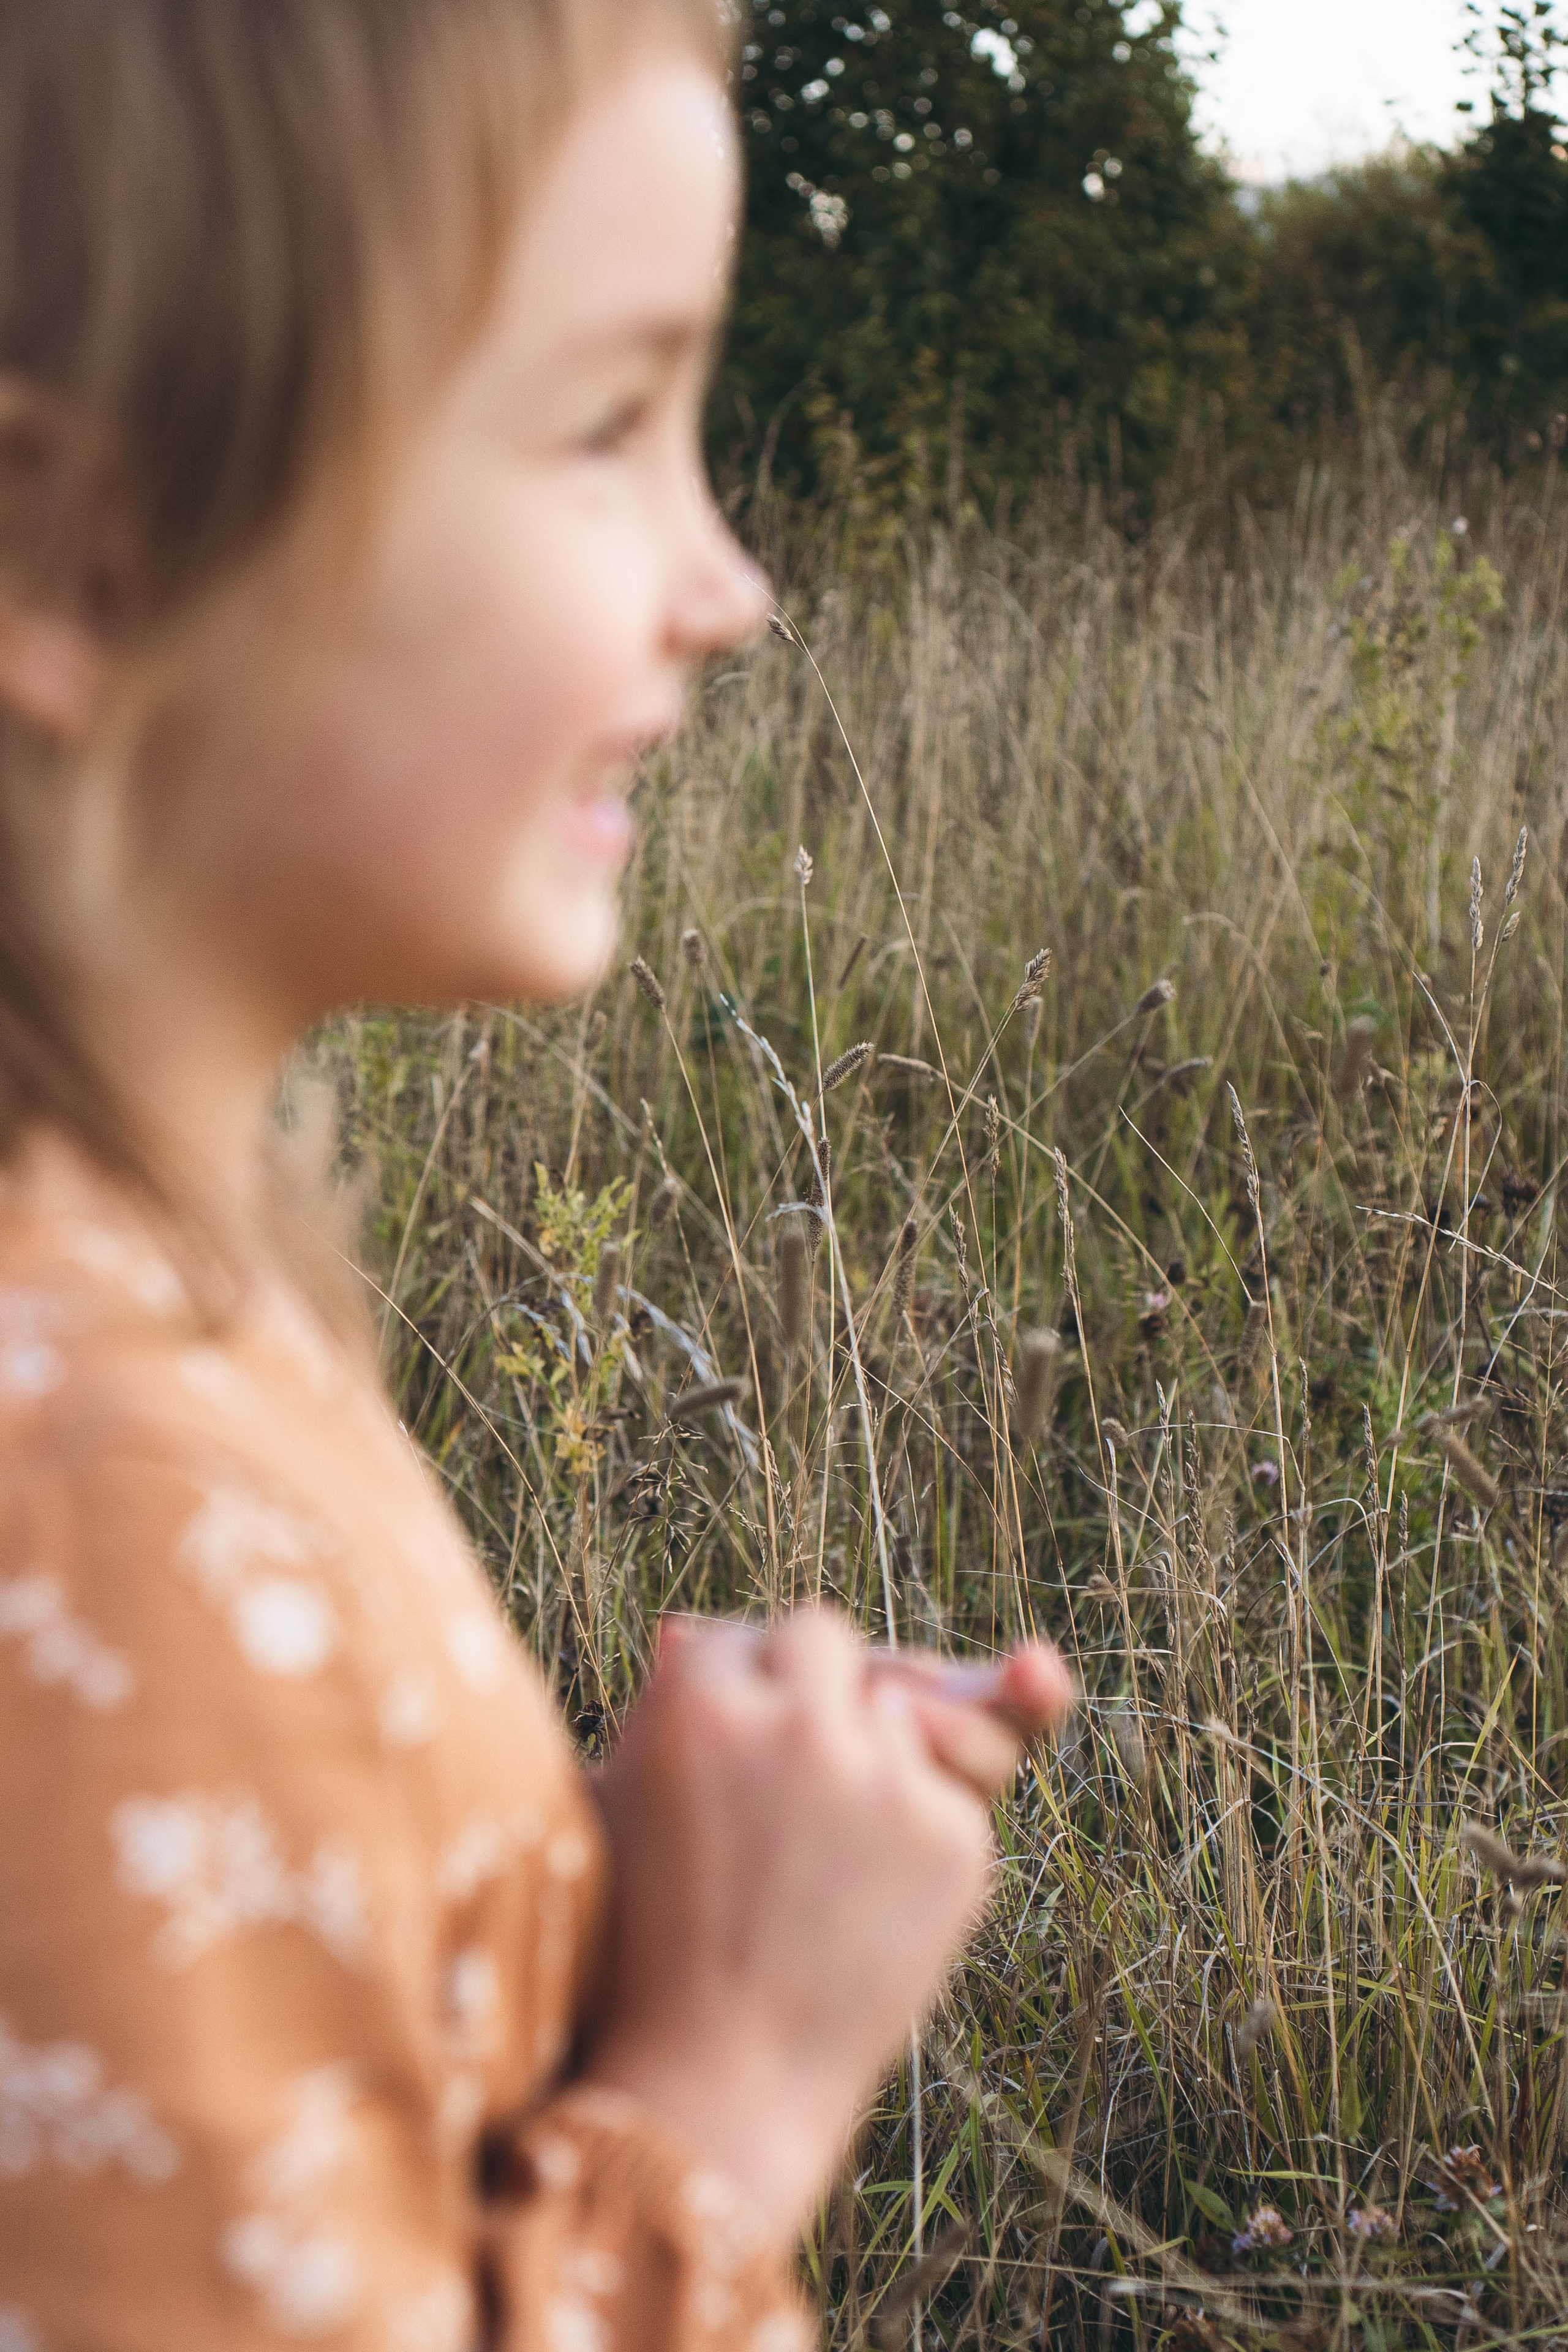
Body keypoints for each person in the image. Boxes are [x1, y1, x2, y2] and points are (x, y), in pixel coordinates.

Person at [0, 3, 1075, 2346]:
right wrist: (728, 2092)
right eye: (608, 426)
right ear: (73, 556)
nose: (731, 584)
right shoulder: (112, 1503)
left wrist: (539, 1914)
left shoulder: (123, 1322)